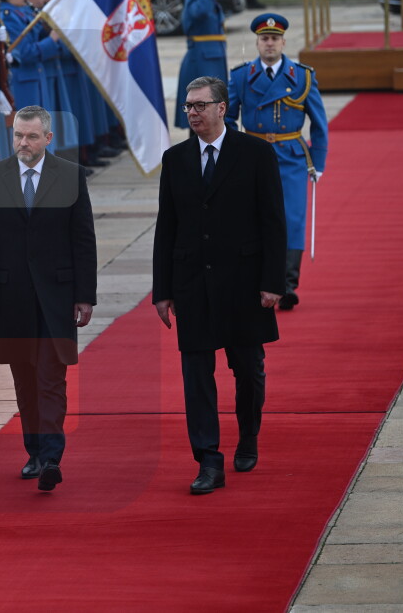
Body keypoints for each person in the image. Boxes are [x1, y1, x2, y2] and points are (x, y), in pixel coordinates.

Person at [152, 76, 286, 495]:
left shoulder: (256, 153)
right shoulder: (175, 159)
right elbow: (167, 226)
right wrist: (162, 290)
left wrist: (273, 281)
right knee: (196, 375)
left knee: (248, 369)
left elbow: (273, 222)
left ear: (222, 108)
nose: (192, 112)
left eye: (200, 105)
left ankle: (248, 435)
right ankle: (208, 460)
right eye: (188, 106)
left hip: (244, 284)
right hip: (193, 283)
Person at [0, 105, 96, 492]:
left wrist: (85, 296)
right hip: (11, 297)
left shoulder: (70, 176)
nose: (23, 143)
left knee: (51, 376)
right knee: (24, 379)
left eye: (32, 136)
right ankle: (36, 453)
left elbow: (83, 239)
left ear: (48, 138)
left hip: (58, 296)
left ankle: (52, 456)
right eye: (19, 136)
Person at [226, 13, 327, 310]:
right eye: (264, 38)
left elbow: (319, 123)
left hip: (291, 155)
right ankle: (259, 280)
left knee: (291, 218)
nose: (269, 43)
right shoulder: (241, 76)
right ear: (257, 43)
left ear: (283, 42)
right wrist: (234, 151)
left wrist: (318, 162)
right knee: (254, 217)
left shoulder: (302, 76)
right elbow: (227, 118)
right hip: (254, 154)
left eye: (274, 38)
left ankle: (287, 284)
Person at [175, 0, 227, 131]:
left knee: (215, 109)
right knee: (200, 109)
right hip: (201, 60)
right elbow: (201, 11)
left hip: (214, 57)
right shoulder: (194, 0)